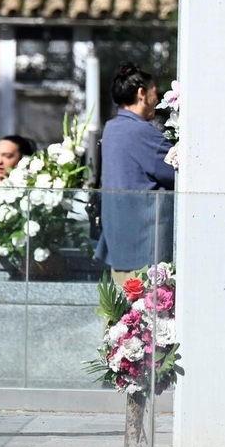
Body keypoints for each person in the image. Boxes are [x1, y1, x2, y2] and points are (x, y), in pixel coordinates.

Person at [96, 64, 174, 284]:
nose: (157, 99)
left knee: (123, 302)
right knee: (149, 304)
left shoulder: (112, 127)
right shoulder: (140, 131)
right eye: (154, 92)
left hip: (120, 242)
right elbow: (175, 172)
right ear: (142, 93)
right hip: (145, 245)